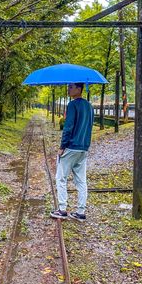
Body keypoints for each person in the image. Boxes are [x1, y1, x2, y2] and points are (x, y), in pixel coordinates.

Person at [50, 82, 94, 222]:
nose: (68, 89)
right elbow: (90, 127)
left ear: (79, 89)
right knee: (81, 181)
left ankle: (62, 209)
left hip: (71, 147)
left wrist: (62, 146)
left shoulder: (72, 105)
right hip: (83, 148)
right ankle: (80, 212)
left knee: (60, 177)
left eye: (71, 87)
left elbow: (68, 128)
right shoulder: (89, 106)